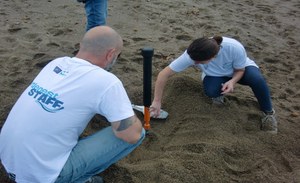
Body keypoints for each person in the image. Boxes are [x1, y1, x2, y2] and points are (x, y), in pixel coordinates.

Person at [0, 26, 145, 183]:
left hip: (9, 160)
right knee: (137, 131)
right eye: (118, 55)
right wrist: (133, 118)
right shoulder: (107, 82)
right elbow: (130, 135)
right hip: (42, 175)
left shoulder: (56, 63)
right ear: (111, 54)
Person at [150, 36, 278, 134]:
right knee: (211, 90)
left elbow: (240, 70)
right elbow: (163, 75)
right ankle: (218, 96)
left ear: (213, 57)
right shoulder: (192, 54)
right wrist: (156, 101)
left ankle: (268, 113)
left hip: (240, 70)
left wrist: (232, 81)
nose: (195, 63)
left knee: (257, 80)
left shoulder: (234, 47)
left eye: (198, 62)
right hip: (215, 75)